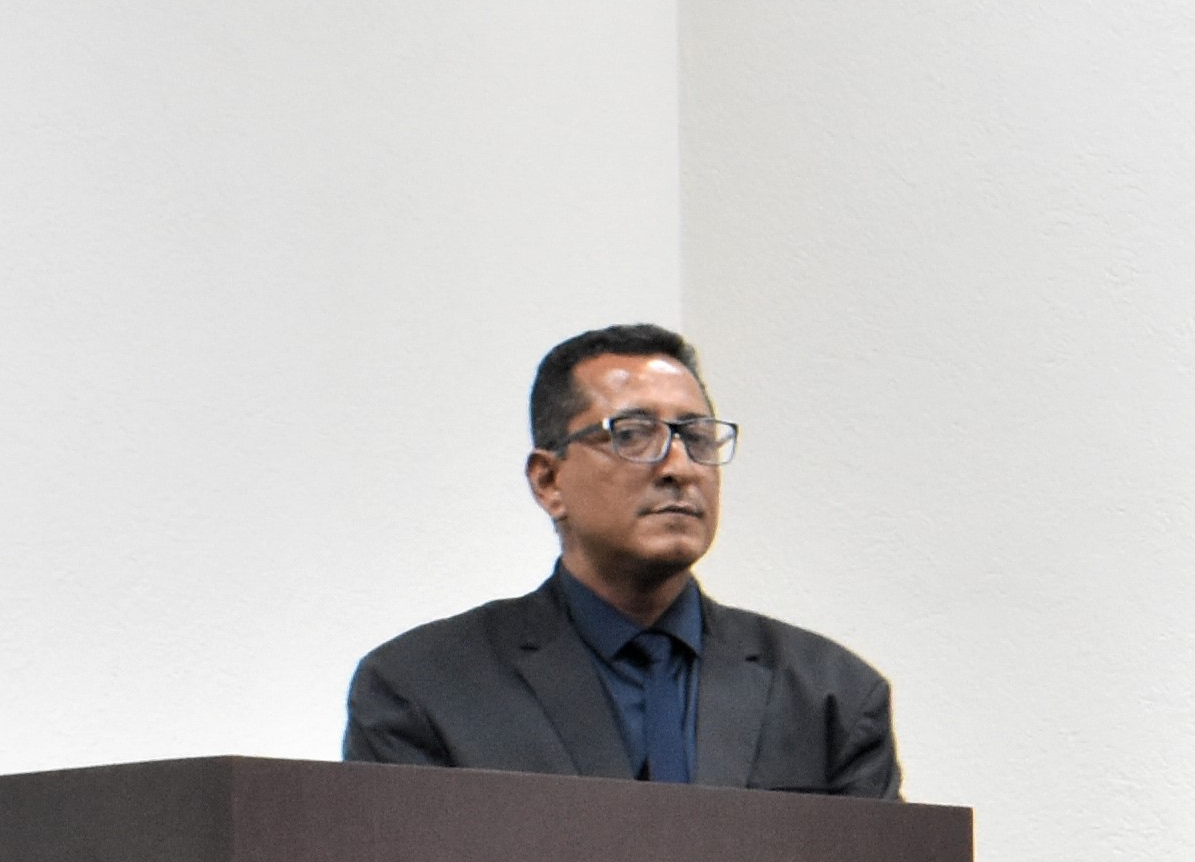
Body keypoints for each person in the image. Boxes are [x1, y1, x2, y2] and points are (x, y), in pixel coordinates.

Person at [343, 324, 902, 793]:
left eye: (698, 437)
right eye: (633, 434)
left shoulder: (831, 696)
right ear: (548, 481)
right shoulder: (424, 689)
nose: (679, 467)